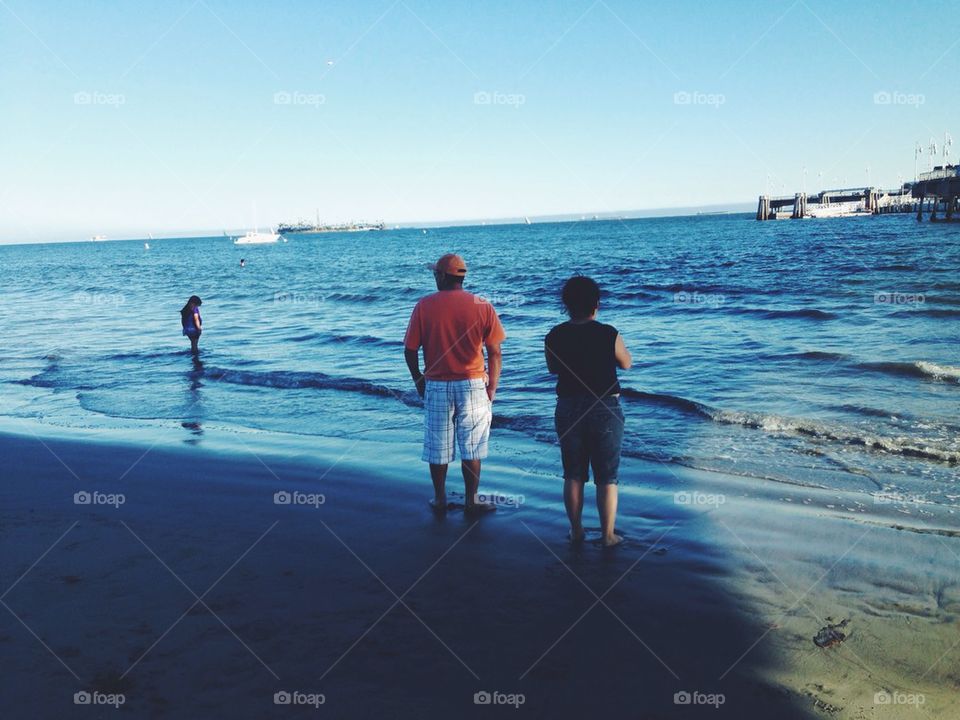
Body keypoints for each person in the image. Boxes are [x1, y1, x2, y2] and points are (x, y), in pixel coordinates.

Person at [404, 253, 505, 514]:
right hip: (472, 384)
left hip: (437, 384)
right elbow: (494, 352)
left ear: (441, 276)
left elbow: (410, 349)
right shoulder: (482, 305)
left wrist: (418, 379)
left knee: (437, 446)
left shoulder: (424, 306)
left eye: (434, 274)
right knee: (472, 445)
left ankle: (440, 498)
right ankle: (472, 500)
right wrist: (492, 386)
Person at [545, 276, 631, 546]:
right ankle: (607, 536)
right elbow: (626, 363)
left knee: (573, 473)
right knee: (607, 475)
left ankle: (577, 530)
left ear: (566, 305)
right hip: (605, 406)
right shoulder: (608, 333)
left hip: (568, 406)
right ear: (596, 304)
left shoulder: (555, 335)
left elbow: (552, 368)